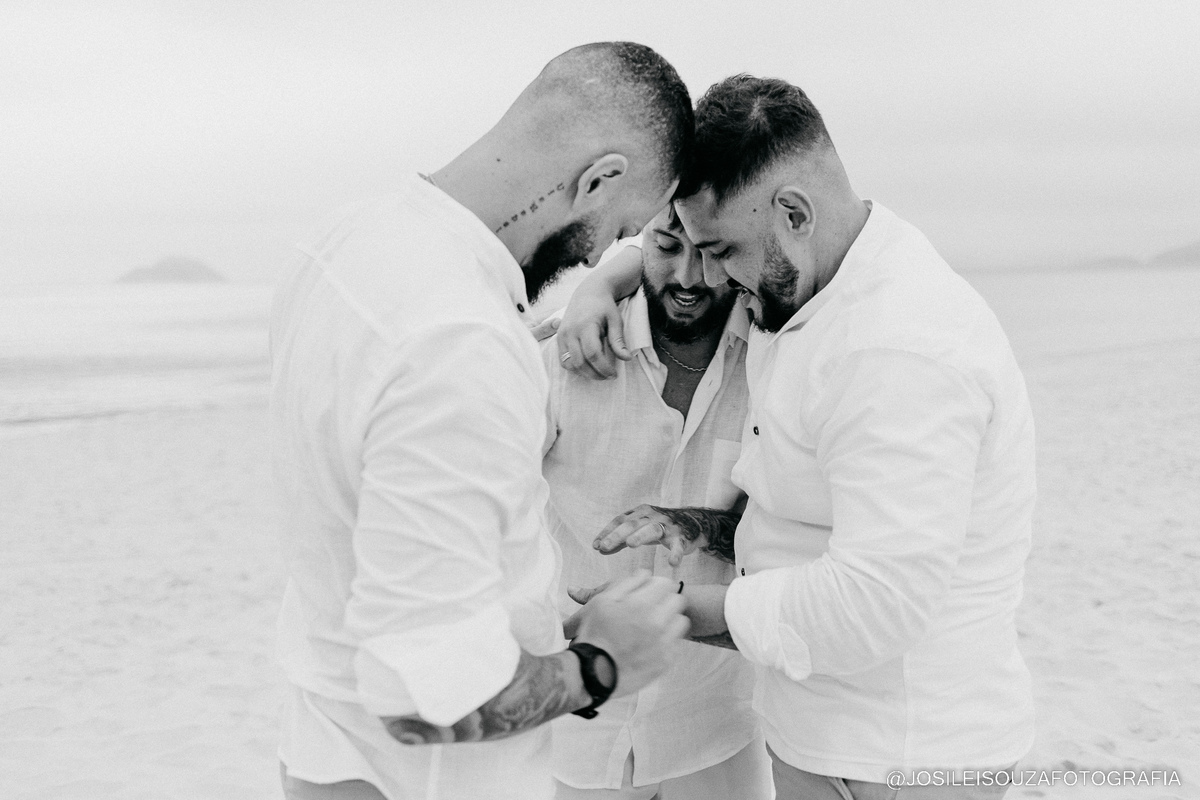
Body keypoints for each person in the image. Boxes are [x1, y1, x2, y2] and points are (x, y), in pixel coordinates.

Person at [558, 74, 1037, 799]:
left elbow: (876, 603)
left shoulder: (896, 352)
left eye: (720, 250)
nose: (710, 276)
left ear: (794, 212)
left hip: (902, 760)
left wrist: (665, 612)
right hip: (818, 741)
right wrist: (600, 285)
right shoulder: (807, 275)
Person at [269, 42, 695, 800]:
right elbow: (423, 702)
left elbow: (383, 555)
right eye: (622, 227)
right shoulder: (462, 342)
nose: (601, 256)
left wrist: (539, 626)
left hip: (323, 751)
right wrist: (600, 666)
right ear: (599, 178)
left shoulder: (346, 240)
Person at [540, 206, 773, 799]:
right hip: (578, 729)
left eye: (707, 252)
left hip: (717, 720)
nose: (688, 277)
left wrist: (697, 527)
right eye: (667, 247)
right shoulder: (564, 352)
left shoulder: (774, 359)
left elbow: (781, 526)